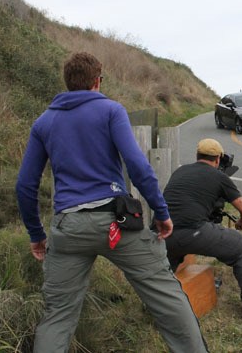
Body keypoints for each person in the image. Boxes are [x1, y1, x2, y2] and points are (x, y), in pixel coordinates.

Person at [15, 52, 208, 352]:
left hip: (69, 228)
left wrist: (36, 235)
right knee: (167, 297)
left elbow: (25, 185)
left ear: (69, 83)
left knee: (57, 317)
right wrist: (161, 211)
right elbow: (137, 165)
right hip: (116, 224)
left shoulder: (44, 122)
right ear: (97, 81)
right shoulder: (111, 111)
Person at [163, 138, 242, 318]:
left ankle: (160, 307)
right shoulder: (219, 176)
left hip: (164, 233)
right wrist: (241, 222)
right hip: (194, 231)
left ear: (197, 156)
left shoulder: (180, 171)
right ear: (218, 159)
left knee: (168, 266)